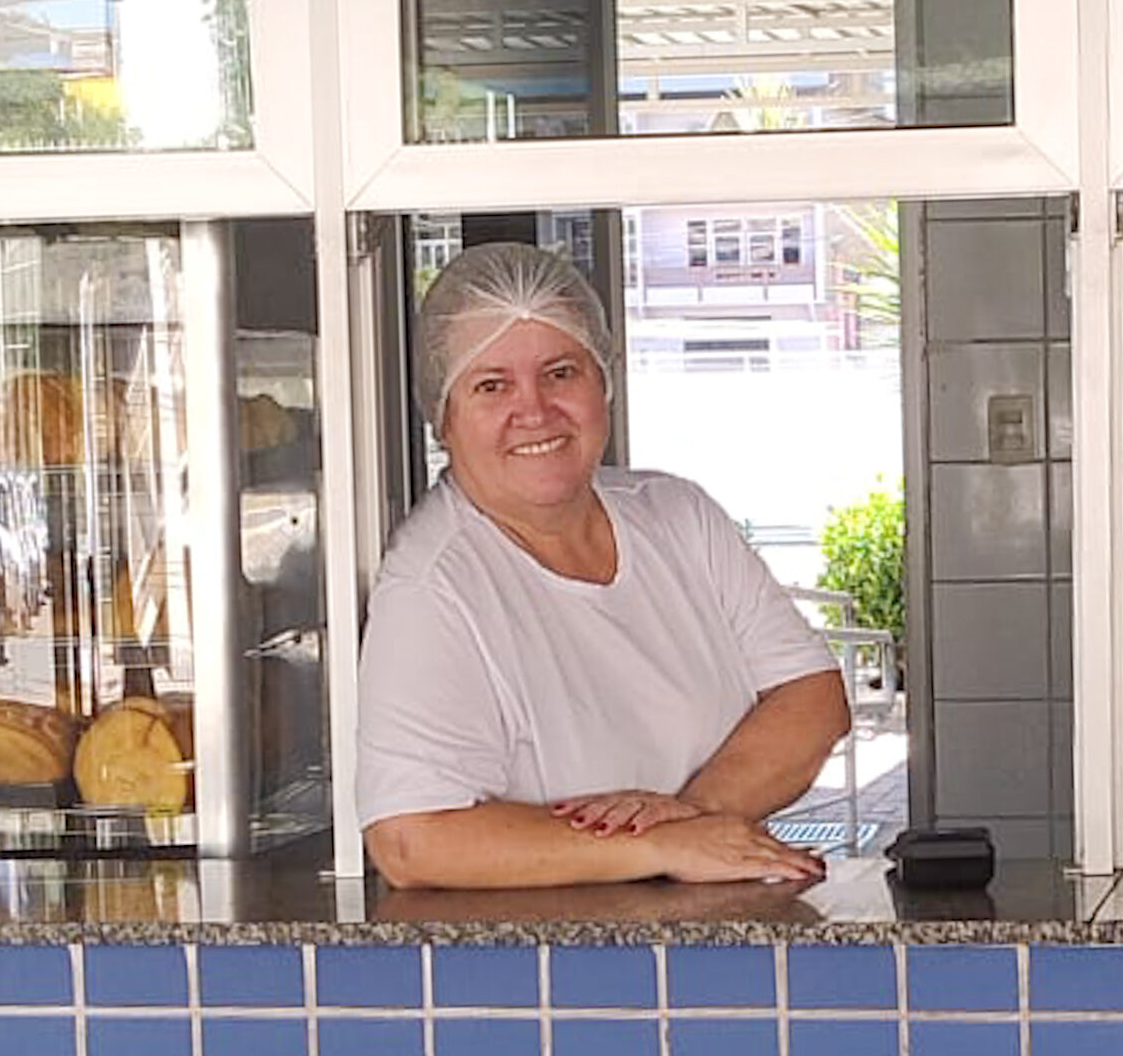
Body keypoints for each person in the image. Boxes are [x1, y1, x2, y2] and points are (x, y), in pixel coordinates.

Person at [356, 243, 850, 889]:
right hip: (545, 971)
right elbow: (410, 841)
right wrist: (658, 849)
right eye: (491, 385)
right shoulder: (433, 587)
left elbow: (812, 698)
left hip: (712, 944)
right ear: (443, 416)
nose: (534, 411)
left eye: (561, 373)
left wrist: (698, 814)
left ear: (605, 384)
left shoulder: (677, 516)